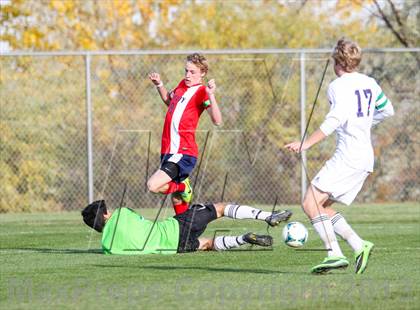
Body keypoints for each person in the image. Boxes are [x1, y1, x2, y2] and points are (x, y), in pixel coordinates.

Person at [285, 38, 394, 274]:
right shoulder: (370, 82)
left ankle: (334, 254)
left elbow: (333, 121)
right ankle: (359, 244)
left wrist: (305, 144)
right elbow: (387, 110)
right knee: (321, 207)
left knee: (309, 203)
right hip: (365, 158)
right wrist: (363, 123)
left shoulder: (337, 86)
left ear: (337, 62)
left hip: (348, 157)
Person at [147, 53, 222, 215]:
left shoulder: (202, 92)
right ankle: (184, 230)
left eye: (192, 72)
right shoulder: (182, 85)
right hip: (168, 150)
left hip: (183, 151)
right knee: (177, 199)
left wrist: (211, 95)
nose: (188, 75)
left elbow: (217, 120)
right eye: (186, 71)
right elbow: (169, 101)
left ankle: (183, 185)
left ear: (202, 73)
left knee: (153, 185)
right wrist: (159, 84)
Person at [81, 200, 292, 255]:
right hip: (175, 227)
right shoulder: (121, 214)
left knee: (207, 244)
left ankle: (243, 239)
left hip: (174, 248)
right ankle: (268, 216)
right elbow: (140, 220)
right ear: (106, 214)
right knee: (219, 209)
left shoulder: (107, 246)